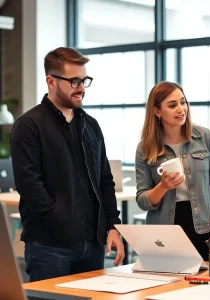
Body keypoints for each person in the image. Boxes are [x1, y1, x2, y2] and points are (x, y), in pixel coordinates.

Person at [10, 47, 124, 282]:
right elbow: (29, 184)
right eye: (74, 81)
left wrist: (113, 226)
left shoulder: (91, 125)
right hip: (49, 246)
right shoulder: (29, 125)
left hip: (93, 245)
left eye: (84, 80)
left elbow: (105, 179)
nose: (81, 87)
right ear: (51, 81)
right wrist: (58, 219)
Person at [135, 81, 210, 261]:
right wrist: (163, 186)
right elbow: (142, 200)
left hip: (203, 226)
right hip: (165, 229)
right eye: (172, 105)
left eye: (183, 102)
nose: (181, 109)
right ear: (157, 111)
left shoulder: (204, 137)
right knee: (167, 284)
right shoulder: (145, 148)